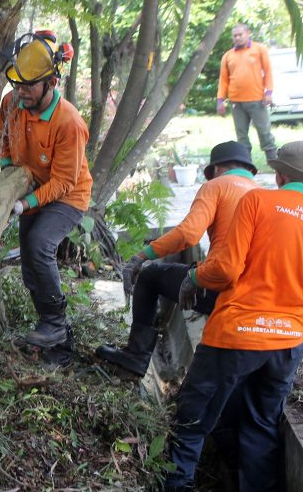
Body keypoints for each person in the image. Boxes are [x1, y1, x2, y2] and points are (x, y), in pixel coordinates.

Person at [158, 141, 303, 492]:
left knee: (192, 421)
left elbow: (225, 267)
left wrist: (192, 278)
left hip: (234, 336)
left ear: (279, 175)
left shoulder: (258, 202)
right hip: (286, 347)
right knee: (261, 431)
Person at [95, 141, 259, 376]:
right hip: (259, 298)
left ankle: (136, 355)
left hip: (223, 289)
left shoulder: (216, 186)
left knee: (151, 276)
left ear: (214, 169)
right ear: (251, 170)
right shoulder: (265, 196)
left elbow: (188, 234)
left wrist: (142, 256)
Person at [0, 30, 92, 348]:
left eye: (29, 86)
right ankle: (50, 334)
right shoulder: (13, 103)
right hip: (29, 187)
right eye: (17, 85)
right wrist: (9, 169)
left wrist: (23, 204)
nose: (21, 92)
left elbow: (64, 181)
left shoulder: (69, 123)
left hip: (67, 196)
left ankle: (55, 324)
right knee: (30, 265)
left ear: (51, 82)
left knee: (38, 245)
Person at [217, 23, 277, 163]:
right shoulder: (228, 55)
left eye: (240, 35)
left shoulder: (259, 49)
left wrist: (269, 92)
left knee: (264, 132)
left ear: (248, 34)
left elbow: (268, 72)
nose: (237, 38)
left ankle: (274, 163)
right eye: (235, 36)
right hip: (236, 102)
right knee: (241, 136)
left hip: (257, 99)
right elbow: (223, 80)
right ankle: (246, 164)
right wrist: (220, 100)